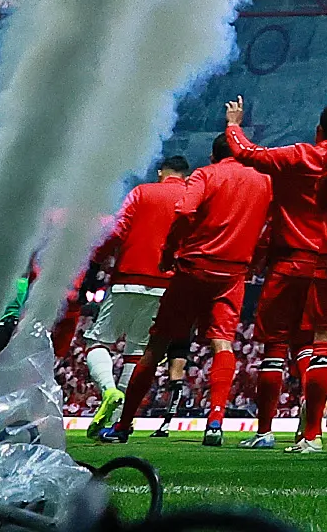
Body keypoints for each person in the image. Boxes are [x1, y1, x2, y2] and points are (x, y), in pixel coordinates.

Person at [226, 97, 327, 451]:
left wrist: (233, 124)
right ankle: (312, 427)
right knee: (314, 349)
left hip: (291, 264)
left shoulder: (299, 156)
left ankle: (265, 431)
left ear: (319, 129)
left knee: (276, 348)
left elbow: (247, 153)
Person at [117, 134, 270, 443]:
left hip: (194, 268)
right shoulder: (263, 181)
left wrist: (170, 249)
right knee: (223, 345)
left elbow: (185, 211)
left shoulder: (205, 174)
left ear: (214, 155)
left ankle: (123, 425)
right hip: (233, 272)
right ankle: (215, 423)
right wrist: (258, 260)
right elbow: (269, 226)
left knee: (157, 345)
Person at [79, 158, 197, 440]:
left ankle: (109, 389)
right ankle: (119, 422)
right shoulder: (194, 197)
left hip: (128, 278)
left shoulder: (142, 193)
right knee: (138, 353)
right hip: (168, 285)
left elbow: (118, 231)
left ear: (161, 172)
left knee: (98, 342)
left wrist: (95, 264)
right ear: (186, 175)